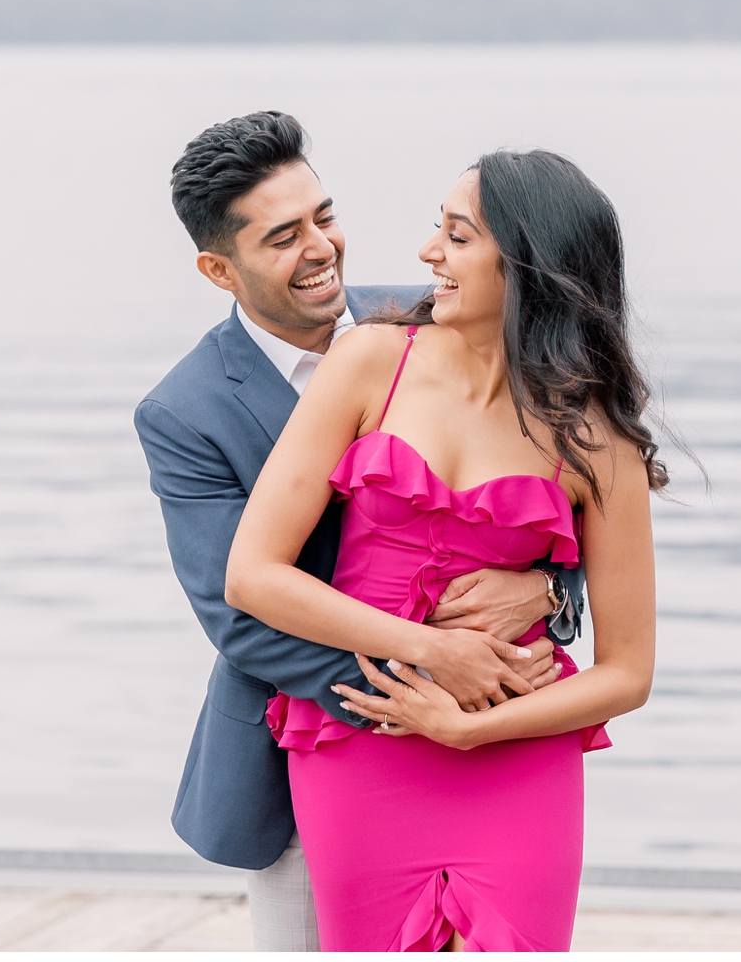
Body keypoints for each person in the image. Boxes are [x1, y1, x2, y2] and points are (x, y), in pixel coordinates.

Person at [134, 112, 587, 951]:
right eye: (283, 237)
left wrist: (552, 592)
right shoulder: (184, 412)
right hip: (308, 738)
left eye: (325, 217)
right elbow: (240, 615)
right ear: (218, 269)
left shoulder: (430, 318)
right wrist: (431, 675)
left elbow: (550, 493)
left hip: (487, 731)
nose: (321, 248)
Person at [224, 148, 660, 951]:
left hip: (519, 744)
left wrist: (471, 728)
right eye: (439, 231)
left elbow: (628, 674)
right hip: (364, 739)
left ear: (527, 265)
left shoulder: (598, 441)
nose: (429, 254)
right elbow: (252, 576)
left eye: (457, 237)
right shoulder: (369, 363)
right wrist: (432, 653)